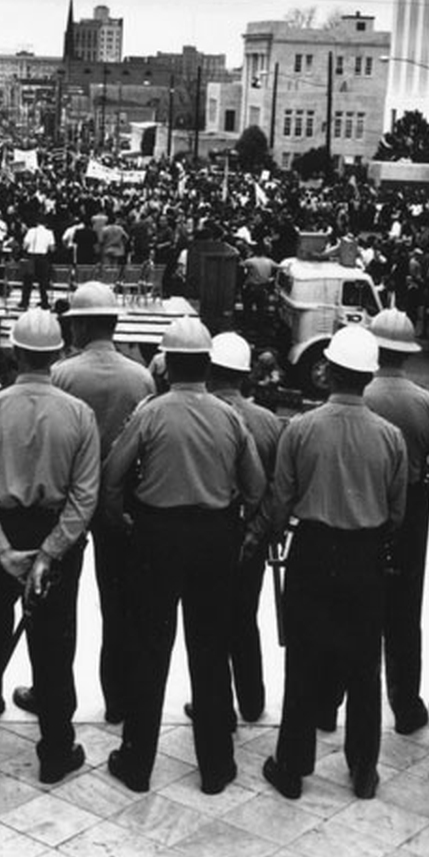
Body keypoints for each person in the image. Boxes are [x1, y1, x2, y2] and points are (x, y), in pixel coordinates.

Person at [100, 317, 265, 795]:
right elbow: (255, 488)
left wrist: (122, 521)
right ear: (207, 364)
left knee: (150, 648)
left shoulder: (151, 412)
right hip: (215, 538)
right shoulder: (229, 416)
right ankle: (215, 766)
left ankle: (137, 762)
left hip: (158, 535)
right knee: (209, 652)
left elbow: (113, 476)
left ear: (168, 363)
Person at [250, 325, 407, 801]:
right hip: (365, 557)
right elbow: (397, 512)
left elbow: (281, 499)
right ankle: (363, 769)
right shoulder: (390, 437)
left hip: (313, 552)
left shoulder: (301, 429)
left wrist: (270, 534)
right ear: (368, 378)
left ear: (332, 372)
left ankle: (293, 767)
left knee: (304, 661)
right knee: (364, 666)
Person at [0, 309, 98, 790]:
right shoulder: (78, 414)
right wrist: (50, 553)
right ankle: (55, 751)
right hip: (54, 534)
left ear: (14, 352)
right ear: (57, 354)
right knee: (54, 649)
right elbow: (84, 495)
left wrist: (2, 550)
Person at [15, 282, 153, 724]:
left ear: (85, 323)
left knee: (57, 611)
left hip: (67, 502)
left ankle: (52, 692)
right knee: (122, 607)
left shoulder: (62, 374)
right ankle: (120, 698)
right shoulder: (142, 376)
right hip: (120, 503)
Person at [361, 309, 429, 737]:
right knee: (404, 615)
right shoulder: (425, 402)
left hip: (366, 505)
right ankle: (406, 707)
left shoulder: (362, 394)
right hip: (411, 508)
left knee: (356, 611)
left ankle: (335, 699)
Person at [207, 332, 285, 725]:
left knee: (208, 624)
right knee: (244, 618)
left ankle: (216, 703)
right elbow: (278, 487)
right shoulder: (268, 422)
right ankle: (251, 701)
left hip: (210, 534)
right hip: (249, 538)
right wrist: (258, 531)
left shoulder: (199, 414)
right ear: (245, 375)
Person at [17, 217, 56, 310]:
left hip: (31, 257)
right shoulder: (49, 233)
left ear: (37, 223)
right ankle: (44, 302)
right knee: (43, 282)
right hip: (43, 258)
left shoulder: (31, 231)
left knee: (27, 281)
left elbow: (25, 246)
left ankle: (24, 302)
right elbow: (52, 248)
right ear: (46, 224)